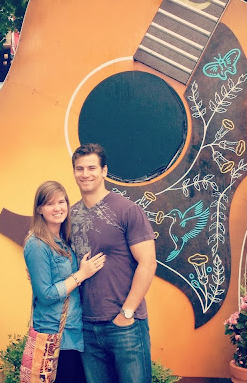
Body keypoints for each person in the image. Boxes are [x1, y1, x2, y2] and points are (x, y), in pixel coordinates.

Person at [70, 143, 157, 383]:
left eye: (91, 167)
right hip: (86, 327)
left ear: (104, 171)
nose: (85, 174)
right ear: (74, 173)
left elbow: (148, 263)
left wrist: (127, 312)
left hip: (124, 325)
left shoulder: (127, 210)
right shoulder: (70, 215)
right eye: (79, 168)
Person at [24, 180, 106, 382]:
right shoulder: (37, 245)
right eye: (50, 204)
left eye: (62, 202)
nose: (58, 208)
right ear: (39, 209)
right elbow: (46, 295)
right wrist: (81, 275)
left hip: (73, 332)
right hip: (54, 335)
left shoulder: (63, 240)